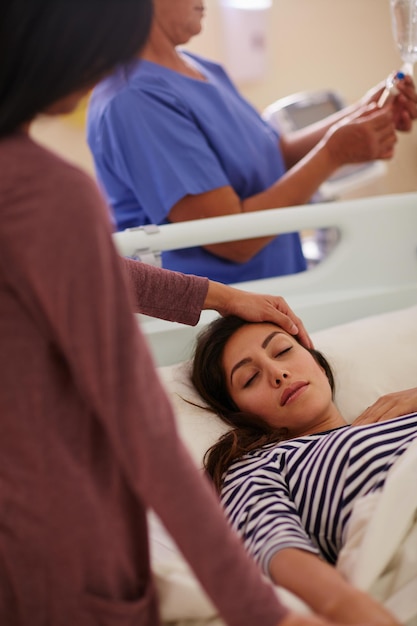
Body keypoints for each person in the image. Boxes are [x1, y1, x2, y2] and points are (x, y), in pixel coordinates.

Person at [0, 2, 341, 626]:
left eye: (284, 350)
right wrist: (270, 614)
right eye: (246, 376)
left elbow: (80, 264)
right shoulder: (52, 185)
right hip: (47, 542)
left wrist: (216, 295)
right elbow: (143, 432)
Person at [87, 0, 417, 284]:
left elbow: (273, 157)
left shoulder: (202, 68)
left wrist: (367, 111)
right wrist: (334, 154)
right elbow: (233, 240)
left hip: (277, 291)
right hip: (216, 324)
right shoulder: (136, 99)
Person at [191, 315, 417, 624]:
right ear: (241, 415)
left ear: (319, 365)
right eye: (249, 378)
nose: (277, 373)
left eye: (283, 351)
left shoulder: (399, 408)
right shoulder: (258, 464)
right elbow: (273, 544)